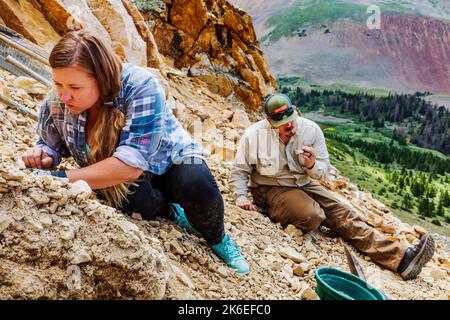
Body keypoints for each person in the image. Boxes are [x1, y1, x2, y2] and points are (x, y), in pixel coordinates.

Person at [21, 30, 249, 275]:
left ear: (101, 78)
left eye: (75, 86)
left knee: (197, 183)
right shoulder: (57, 101)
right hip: (121, 171)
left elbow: (131, 164)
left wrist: (61, 179)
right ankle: (172, 212)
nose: (64, 95)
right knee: (135, 205)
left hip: (170, 157)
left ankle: (217, 237)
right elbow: (51, 143)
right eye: (58, 84)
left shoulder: (139, 85)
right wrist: (45, 156)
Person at [230, 93, 435, 280]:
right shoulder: (253, 135)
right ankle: (285, 211)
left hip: (303, 182)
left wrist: (311, 165)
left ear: (294, 111)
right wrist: (241, 196)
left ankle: (401, 259)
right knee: (313, 215)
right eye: (282, 123)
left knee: (344, 214)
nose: (289, 126)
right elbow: (240, 170)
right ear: (269, 121)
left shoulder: (311, 130)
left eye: (290, 119)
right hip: (269, 187)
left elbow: (324, 173)